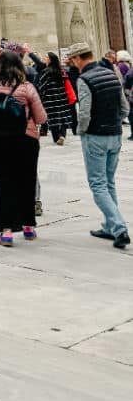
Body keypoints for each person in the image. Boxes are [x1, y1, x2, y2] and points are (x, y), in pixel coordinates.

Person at [0, 49, 47, 246]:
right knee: (27, 181)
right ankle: (28, 227)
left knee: (3, 184)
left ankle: (6, 232)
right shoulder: (26, 87)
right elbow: (41, 118)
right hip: (26, 140)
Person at [67, 41, 130, 249]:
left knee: (97, 184)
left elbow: (84, 112)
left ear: (77, 58)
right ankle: (110, 225)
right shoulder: (111, 73)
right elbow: (124, 107)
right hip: (115, 134)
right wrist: (115, 122)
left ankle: (119, 227)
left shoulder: (85, 79)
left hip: (95, 136)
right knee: (108, 182)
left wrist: (82, 130)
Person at [31, 52, 73, 144]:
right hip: (62, 97)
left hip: (50, 99)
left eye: (46, 57)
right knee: (62, 117)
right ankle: (62, 135)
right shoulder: (61, 70)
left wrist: (40, 97)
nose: (44, 59)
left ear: (50, 60)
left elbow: (42, 86)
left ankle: (56, 138)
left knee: (52, 118)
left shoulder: (46, 72)